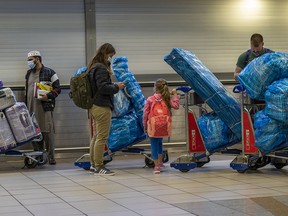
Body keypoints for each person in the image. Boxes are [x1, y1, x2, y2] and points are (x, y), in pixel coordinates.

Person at [88, 43, 125, 176]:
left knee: (97, 136)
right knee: (102, 137)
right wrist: (117, 87)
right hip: (101, 105)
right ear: (105, 53)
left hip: (94, 105)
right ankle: (99, 166)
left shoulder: (92, 66)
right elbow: (103, 87)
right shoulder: (101, 68)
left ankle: (93, 164)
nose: (110, 58)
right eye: (110, 55)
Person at [25, 50, 61, 165]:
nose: (29, 62)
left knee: (47, 132)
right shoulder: (28, 73)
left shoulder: (50, 72)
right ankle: (39, 156)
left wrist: (48, 96)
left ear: (37, 59)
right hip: (31, 108)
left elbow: (58, 89)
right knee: (34, 133)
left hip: (45, 108)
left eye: (30, 60)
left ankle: (51, 157)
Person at [142, 79, 179, 174]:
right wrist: (175, 95)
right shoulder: (166, 98)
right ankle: (161, 162)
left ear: (155, 88)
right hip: (164, 125)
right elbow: (176, 106)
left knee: (154, 144)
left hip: (153, 125)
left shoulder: (150, 99)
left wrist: (144, 125)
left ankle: (156, 166)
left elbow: (145, 114)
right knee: (159, 143)